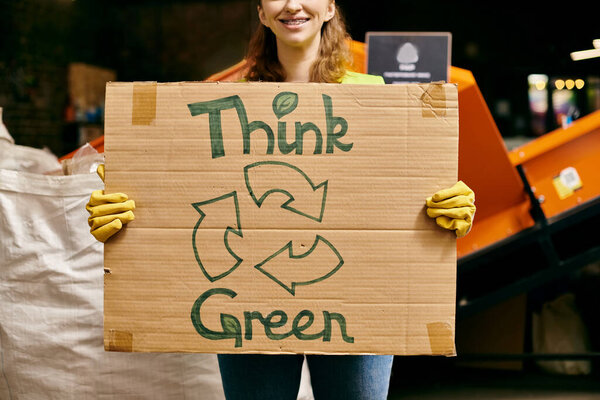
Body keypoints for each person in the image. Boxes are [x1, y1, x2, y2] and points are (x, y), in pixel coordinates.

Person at [86, 1, 476, 399]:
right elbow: (182, 195)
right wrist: (127, 209)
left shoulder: (377, 99)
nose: (292, 5)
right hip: (246, 303)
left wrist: (448, 209)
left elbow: (401, 197)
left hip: (356, 302)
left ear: (328, 8)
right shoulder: (220, 104)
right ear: (260, 12)